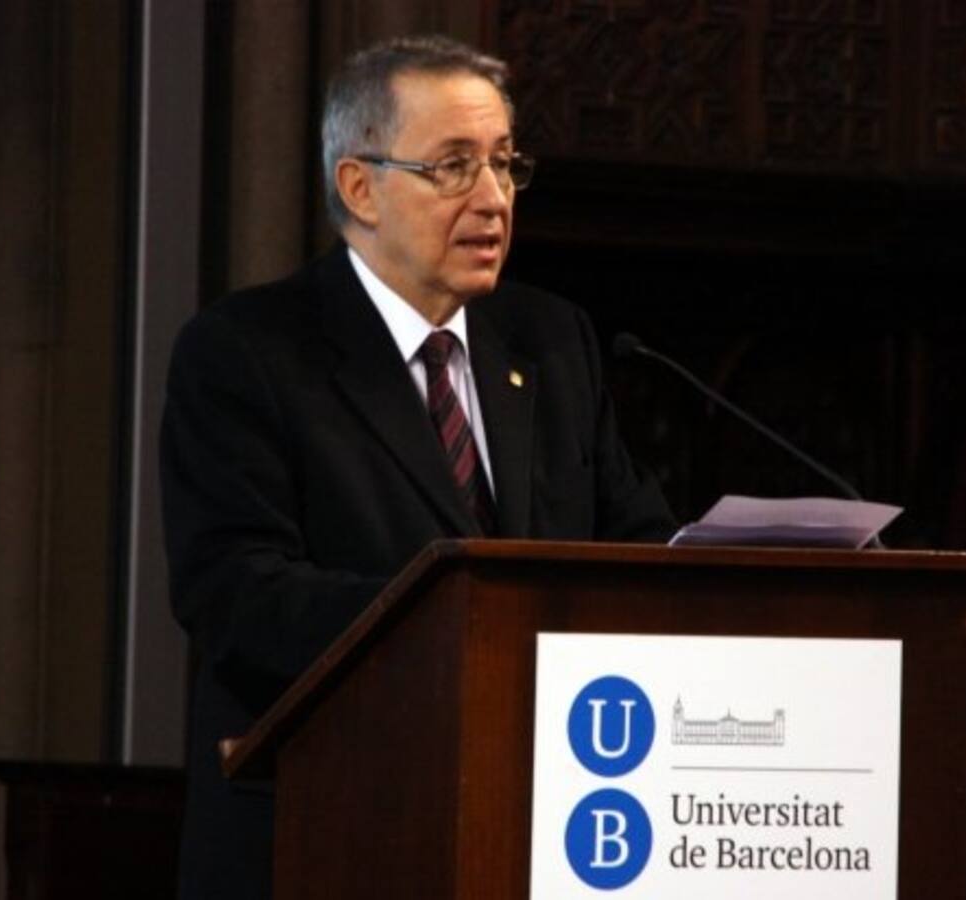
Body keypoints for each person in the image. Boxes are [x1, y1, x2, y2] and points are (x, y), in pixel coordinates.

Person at [160, 34, 675, 900]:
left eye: (504, 164)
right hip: (329, 828)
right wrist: (460, 627)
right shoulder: (248, 353)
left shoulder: (551, 341)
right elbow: (236, 596)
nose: (494, 199)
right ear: (359, 187)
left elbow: (636, 543)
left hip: (543, 822)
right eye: (453, 167)